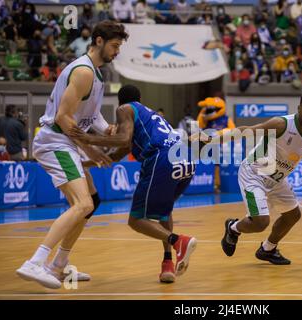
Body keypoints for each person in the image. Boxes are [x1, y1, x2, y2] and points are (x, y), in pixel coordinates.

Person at [16, 21, 128, 289]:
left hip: (67, 141)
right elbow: (63, 117)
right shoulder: (83, 72)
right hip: (55, 140)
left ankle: (58, 266)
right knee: (83, 204)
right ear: (98, 41)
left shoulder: (97, 74)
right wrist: (91, 148)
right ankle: (34, 262)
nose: (117, 52)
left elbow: (90, 114)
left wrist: (105, 128)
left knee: (92, 201)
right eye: (114, 46)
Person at [69, 85, 197, 283]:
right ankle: (167, 263)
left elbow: (122, 139)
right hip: (187, 159)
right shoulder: (149, 115)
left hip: (162, 159)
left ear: (121, 102)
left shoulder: (124, 109)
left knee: (136, 220)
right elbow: (120, 152)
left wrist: (88, 138)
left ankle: (178, 241)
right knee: (164, 209)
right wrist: (84, 163)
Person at [199, 92, 302, 265]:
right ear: (299, 108)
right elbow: (246, 131)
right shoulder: (281, 124)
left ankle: (268, 249)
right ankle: (233, 228)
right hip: (253, 174)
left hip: (276, 180)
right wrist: (212, 138)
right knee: (260, 222)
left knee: (293, 215)